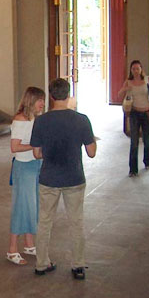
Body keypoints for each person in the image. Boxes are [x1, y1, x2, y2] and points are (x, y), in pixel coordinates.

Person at [30, 78, 97, 280]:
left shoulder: (41, 121)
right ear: (68, 95)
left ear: (51, 96)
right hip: (74, 177)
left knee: (44, 222)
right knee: (76, 222)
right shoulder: (82, 120)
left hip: (49, 178)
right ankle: (78, 265)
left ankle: (41, 263)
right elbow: (92, 152)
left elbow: (36, 153)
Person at [6, 86, 45, 266]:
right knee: (21, 206)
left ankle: (29, 244)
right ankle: (12, 249)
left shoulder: (35, 119)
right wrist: (36, 145)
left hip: (36, 164)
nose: (42, 104)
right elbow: (15, 147)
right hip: (24, 167)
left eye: (43, 100)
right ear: (31, 101)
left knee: (33, 205)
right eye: (39, 100)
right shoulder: (20, 120)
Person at [118, 60, 149, 177]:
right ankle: (133, 169)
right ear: (131, 70)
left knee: (146, 139)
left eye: (137, 68)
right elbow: (119, 95)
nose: (135, 71)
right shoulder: (128, 82)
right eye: (133, 69)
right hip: (134, 113)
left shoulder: (147, 80)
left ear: (141, 69)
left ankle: (147, 161)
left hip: (146, 113)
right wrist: (125, 89)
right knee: (134, 141)